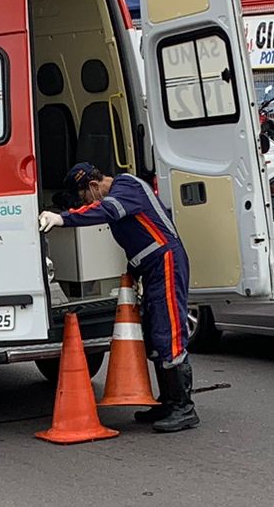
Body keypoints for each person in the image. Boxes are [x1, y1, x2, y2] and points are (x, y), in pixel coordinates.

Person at [40, 163, 198, 433]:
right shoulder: (122, 193)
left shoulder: (127, 188)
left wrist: (64, 218)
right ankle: (169, 401)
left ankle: (184, 407)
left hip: (166, 263)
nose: (84, 202)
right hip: (151, 267)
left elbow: (106, 210)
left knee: (167, 331)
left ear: (92, 186)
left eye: (83, 197)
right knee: (154, 334)